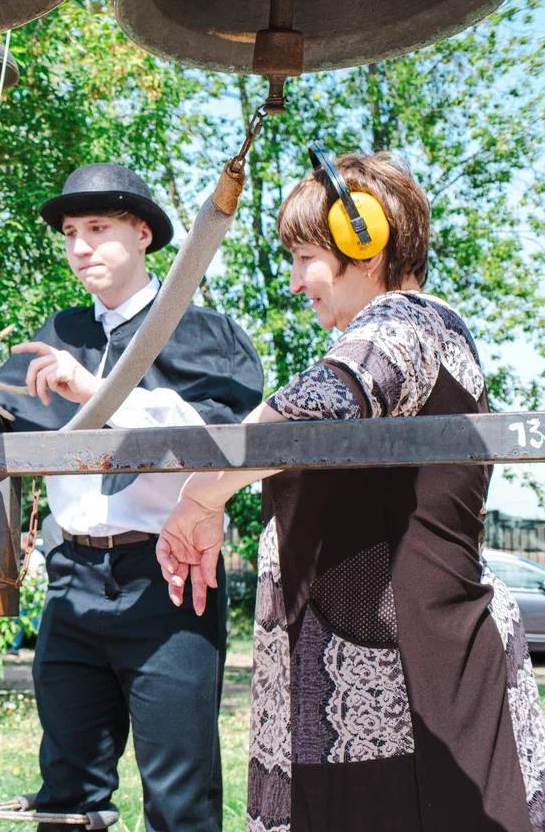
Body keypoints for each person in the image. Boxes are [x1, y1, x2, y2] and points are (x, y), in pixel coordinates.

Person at [156, 148, 545, 831]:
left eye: (306, 256)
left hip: (410, 697)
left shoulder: (407, 322)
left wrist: (200, 498)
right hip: (382, 691)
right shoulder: (406, 330)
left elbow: (316, 404)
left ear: (365, 241)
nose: (295, 280)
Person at [0, 163, 263, 831]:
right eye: (71, 232)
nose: (80, 246)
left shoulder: (204, 334)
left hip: (168, 579)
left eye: (98, 228)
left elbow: (218, 445)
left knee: (180, 797)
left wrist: (95, 394)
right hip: (72, 582)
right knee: (67, 794)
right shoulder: (60, 334)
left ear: (143, 234)